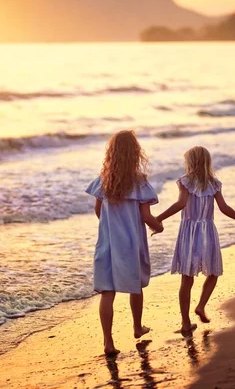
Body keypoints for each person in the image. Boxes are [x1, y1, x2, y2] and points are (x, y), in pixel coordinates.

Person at [157, 146, 235, 335]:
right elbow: (224, 208)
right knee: (213, 273)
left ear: (190, 163)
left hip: (189, 232)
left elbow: (180, 204)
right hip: (207, 231)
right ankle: (200, 306)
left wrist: (158, 219)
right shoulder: (214, 184)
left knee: (187, 278)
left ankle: (185, 322)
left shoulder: (185, 182)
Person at [86, 130, 163, 355]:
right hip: (131, 243)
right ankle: (137, 327)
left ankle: (108, 342)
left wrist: (112, 226)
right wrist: (158, 226)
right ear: (135, 153)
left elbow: (98, 211)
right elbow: (146, 216)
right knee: (135, 286)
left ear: (111, 152)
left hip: (108, 243)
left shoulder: (103, 181)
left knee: (107, 293)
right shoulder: (139, 181)